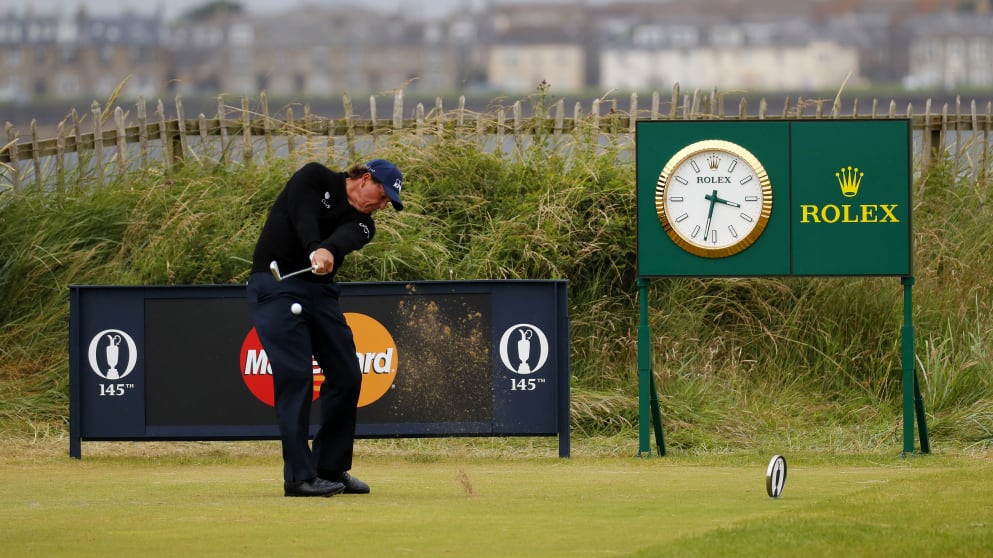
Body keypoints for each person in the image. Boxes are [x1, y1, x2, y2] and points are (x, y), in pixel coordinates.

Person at [247, 158, 404, 497]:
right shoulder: (314, 177)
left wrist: (328, 250)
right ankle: (298, 477)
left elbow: (343, 238)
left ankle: (330, 468)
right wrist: (313, 248)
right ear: (365, 179)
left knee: (347, 374)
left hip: (319, 293)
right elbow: (302, 214)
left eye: (388, 202)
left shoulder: (365, 225)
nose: (382, 204)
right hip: (274, 285)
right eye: (382, 195)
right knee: (296, 376)